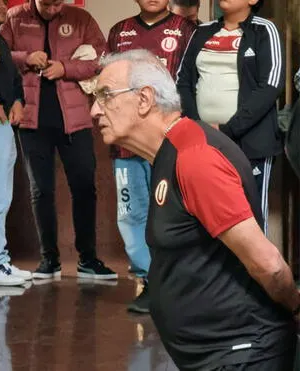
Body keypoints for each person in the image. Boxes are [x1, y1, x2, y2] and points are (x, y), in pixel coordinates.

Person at [92, 49, 298, 370]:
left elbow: (269, 265)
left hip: (242, 355)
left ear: (145, 99)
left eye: (105, 96)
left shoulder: (195, 156)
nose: (94, 110)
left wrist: (296, 308)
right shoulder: (168, 154)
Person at [0, 0, 117, 280]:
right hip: (32, 120)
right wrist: (25, 58)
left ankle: (88, 259)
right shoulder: (15, 18)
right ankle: (48, 260)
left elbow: (101, 59)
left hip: (74, 120)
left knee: (84, 188)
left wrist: (65, 68)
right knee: (41, 190)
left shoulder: (81, 18)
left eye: (57, 2)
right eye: (46, 3)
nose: (53, 7)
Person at [107, 0, 195, 313]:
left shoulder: (187, 29)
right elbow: (108, 85)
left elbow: (190, 85)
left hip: (167, 142)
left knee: (172, 213)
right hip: (126, 144)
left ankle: (176, 284)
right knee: (131, 214)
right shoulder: (120, 31)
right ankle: (150, 281)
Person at [177, 0, 282, 235]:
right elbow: (182, 81)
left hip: (251, 143)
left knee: (250, 214)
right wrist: (199, 127)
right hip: (204, 142)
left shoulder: (264, 30)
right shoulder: (202, 32)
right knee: (207, 213)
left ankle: (251, 273)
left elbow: (270, 86)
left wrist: (226, 131)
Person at [0, 0, 32, 287]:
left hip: (5, 122)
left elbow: (12, 80)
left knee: (4, 195)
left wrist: (18, 100)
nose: (2, 5)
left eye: (3, 1)